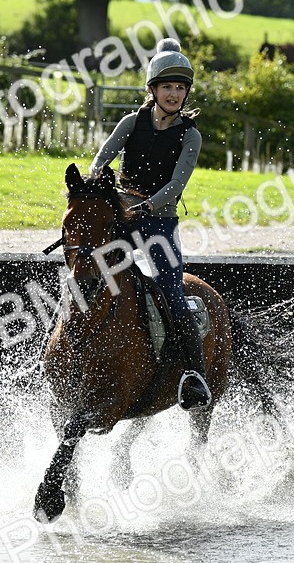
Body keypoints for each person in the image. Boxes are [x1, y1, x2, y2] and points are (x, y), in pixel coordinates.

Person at [87, 37, 211, 411]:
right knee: (86, 271)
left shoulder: (191, 135)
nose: (174, 94)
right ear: (152, 90)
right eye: (167, 87)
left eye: (180, 88)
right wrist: (98, 186)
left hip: (158, 223)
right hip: (123, 218)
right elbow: (100, 160)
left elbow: (176, 186)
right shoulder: (132, 122)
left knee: (173, 293)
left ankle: (194, 375)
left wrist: (143, 207)